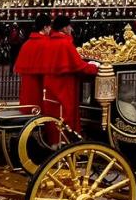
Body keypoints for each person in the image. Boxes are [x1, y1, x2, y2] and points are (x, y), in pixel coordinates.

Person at [42, 15, 100, 144]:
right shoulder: (64, 43)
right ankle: (66, 144)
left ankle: (55, 142)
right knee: (66, 117)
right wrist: (95, 67)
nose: (71, 29)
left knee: (53, 116)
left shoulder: (48, 41)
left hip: (50, 86)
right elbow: (79, 66)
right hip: (64, 88)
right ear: (64, 28)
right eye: (69, 26)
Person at [13, 15, 52, 114]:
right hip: (40, 86)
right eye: (49, 26)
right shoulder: (47, 43)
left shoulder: (27, 44)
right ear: (45, 27)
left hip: (27, 87)